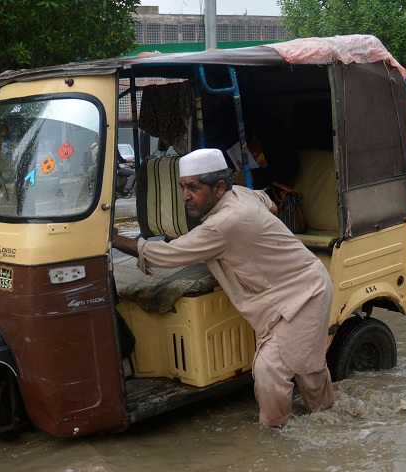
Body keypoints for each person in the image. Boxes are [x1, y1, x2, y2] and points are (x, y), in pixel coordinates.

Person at [111, 148, 335, 427]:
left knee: (272, 369)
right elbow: (272, 205)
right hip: (281, 292)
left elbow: (167, 254)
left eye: (193, 188)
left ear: (218, 187)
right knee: (305, 364)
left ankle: (278, 433)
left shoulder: (224, 223)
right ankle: (326, 416)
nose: (185, 197)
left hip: (306, 291)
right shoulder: (242, 193)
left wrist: (116, 240)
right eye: (183, 187)